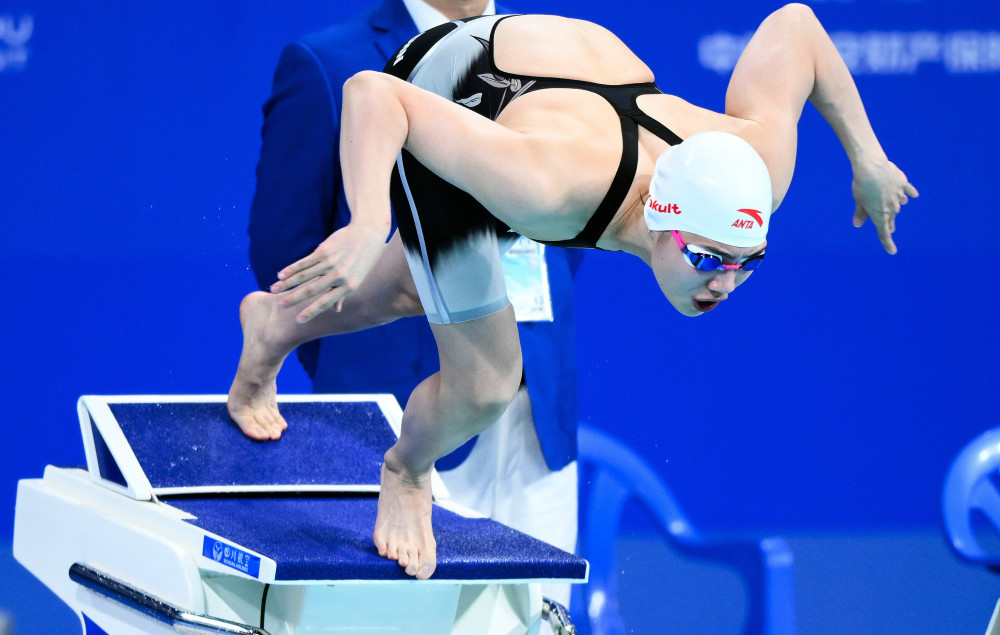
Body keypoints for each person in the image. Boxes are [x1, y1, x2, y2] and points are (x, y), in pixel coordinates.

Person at [229, 4, 918, 580]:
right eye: (709, 258)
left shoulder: (758, 165)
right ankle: (406, 470)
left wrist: (869, 158)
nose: (725, 283)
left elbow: (796, 26)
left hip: (560, 81)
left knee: (418, 287)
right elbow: (374, 94)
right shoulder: (550, 187)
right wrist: (369, 219)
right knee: (489, 378)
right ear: (656, 217)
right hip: (438, 87)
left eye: (747, 261)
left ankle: (273, 327)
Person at [241, 0, 581, 599]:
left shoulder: (548, 53)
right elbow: (285, 252)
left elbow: (565, 227)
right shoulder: (326, 62)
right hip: (398, 415)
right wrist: (357, 364)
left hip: (536, 423)